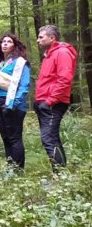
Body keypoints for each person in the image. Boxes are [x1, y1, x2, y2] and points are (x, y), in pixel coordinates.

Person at [34, 25, 77, 170]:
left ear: (52, 38)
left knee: (48, 139)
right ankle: (61, 174)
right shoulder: (49, 54)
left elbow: (65, 79)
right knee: (52, 138)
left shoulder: (62, 53)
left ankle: (59, 176)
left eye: (41, 37)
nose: (38, 40)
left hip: (54, 104)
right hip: (46, 102)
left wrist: (49, 101)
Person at [0, 33, 30, 169]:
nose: (5, 43)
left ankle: (18, 170)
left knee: (14, 137)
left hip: (13, 104)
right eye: (3, 41)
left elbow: (24, 85)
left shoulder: (21, 62)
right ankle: (10, 166)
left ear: (15, 46)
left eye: (9, 42)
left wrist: (14, 103)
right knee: (5, 137)